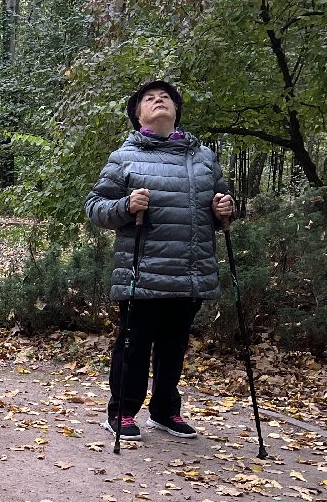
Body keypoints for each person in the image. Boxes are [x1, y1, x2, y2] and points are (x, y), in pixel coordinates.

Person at [85, 80, 234, 441]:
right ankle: (122, 411)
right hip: (142, 271)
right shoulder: (124, 157)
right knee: (134, 346)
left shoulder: (203, 158)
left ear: (176, 110)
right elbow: (95, 208)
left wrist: (225, 209)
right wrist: (125, 206)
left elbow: (221, 205)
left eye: (165, 97)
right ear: (137, 115)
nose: (158, 101)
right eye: (149, 98)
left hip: (190, 270)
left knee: (173, 347)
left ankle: (166, 411)